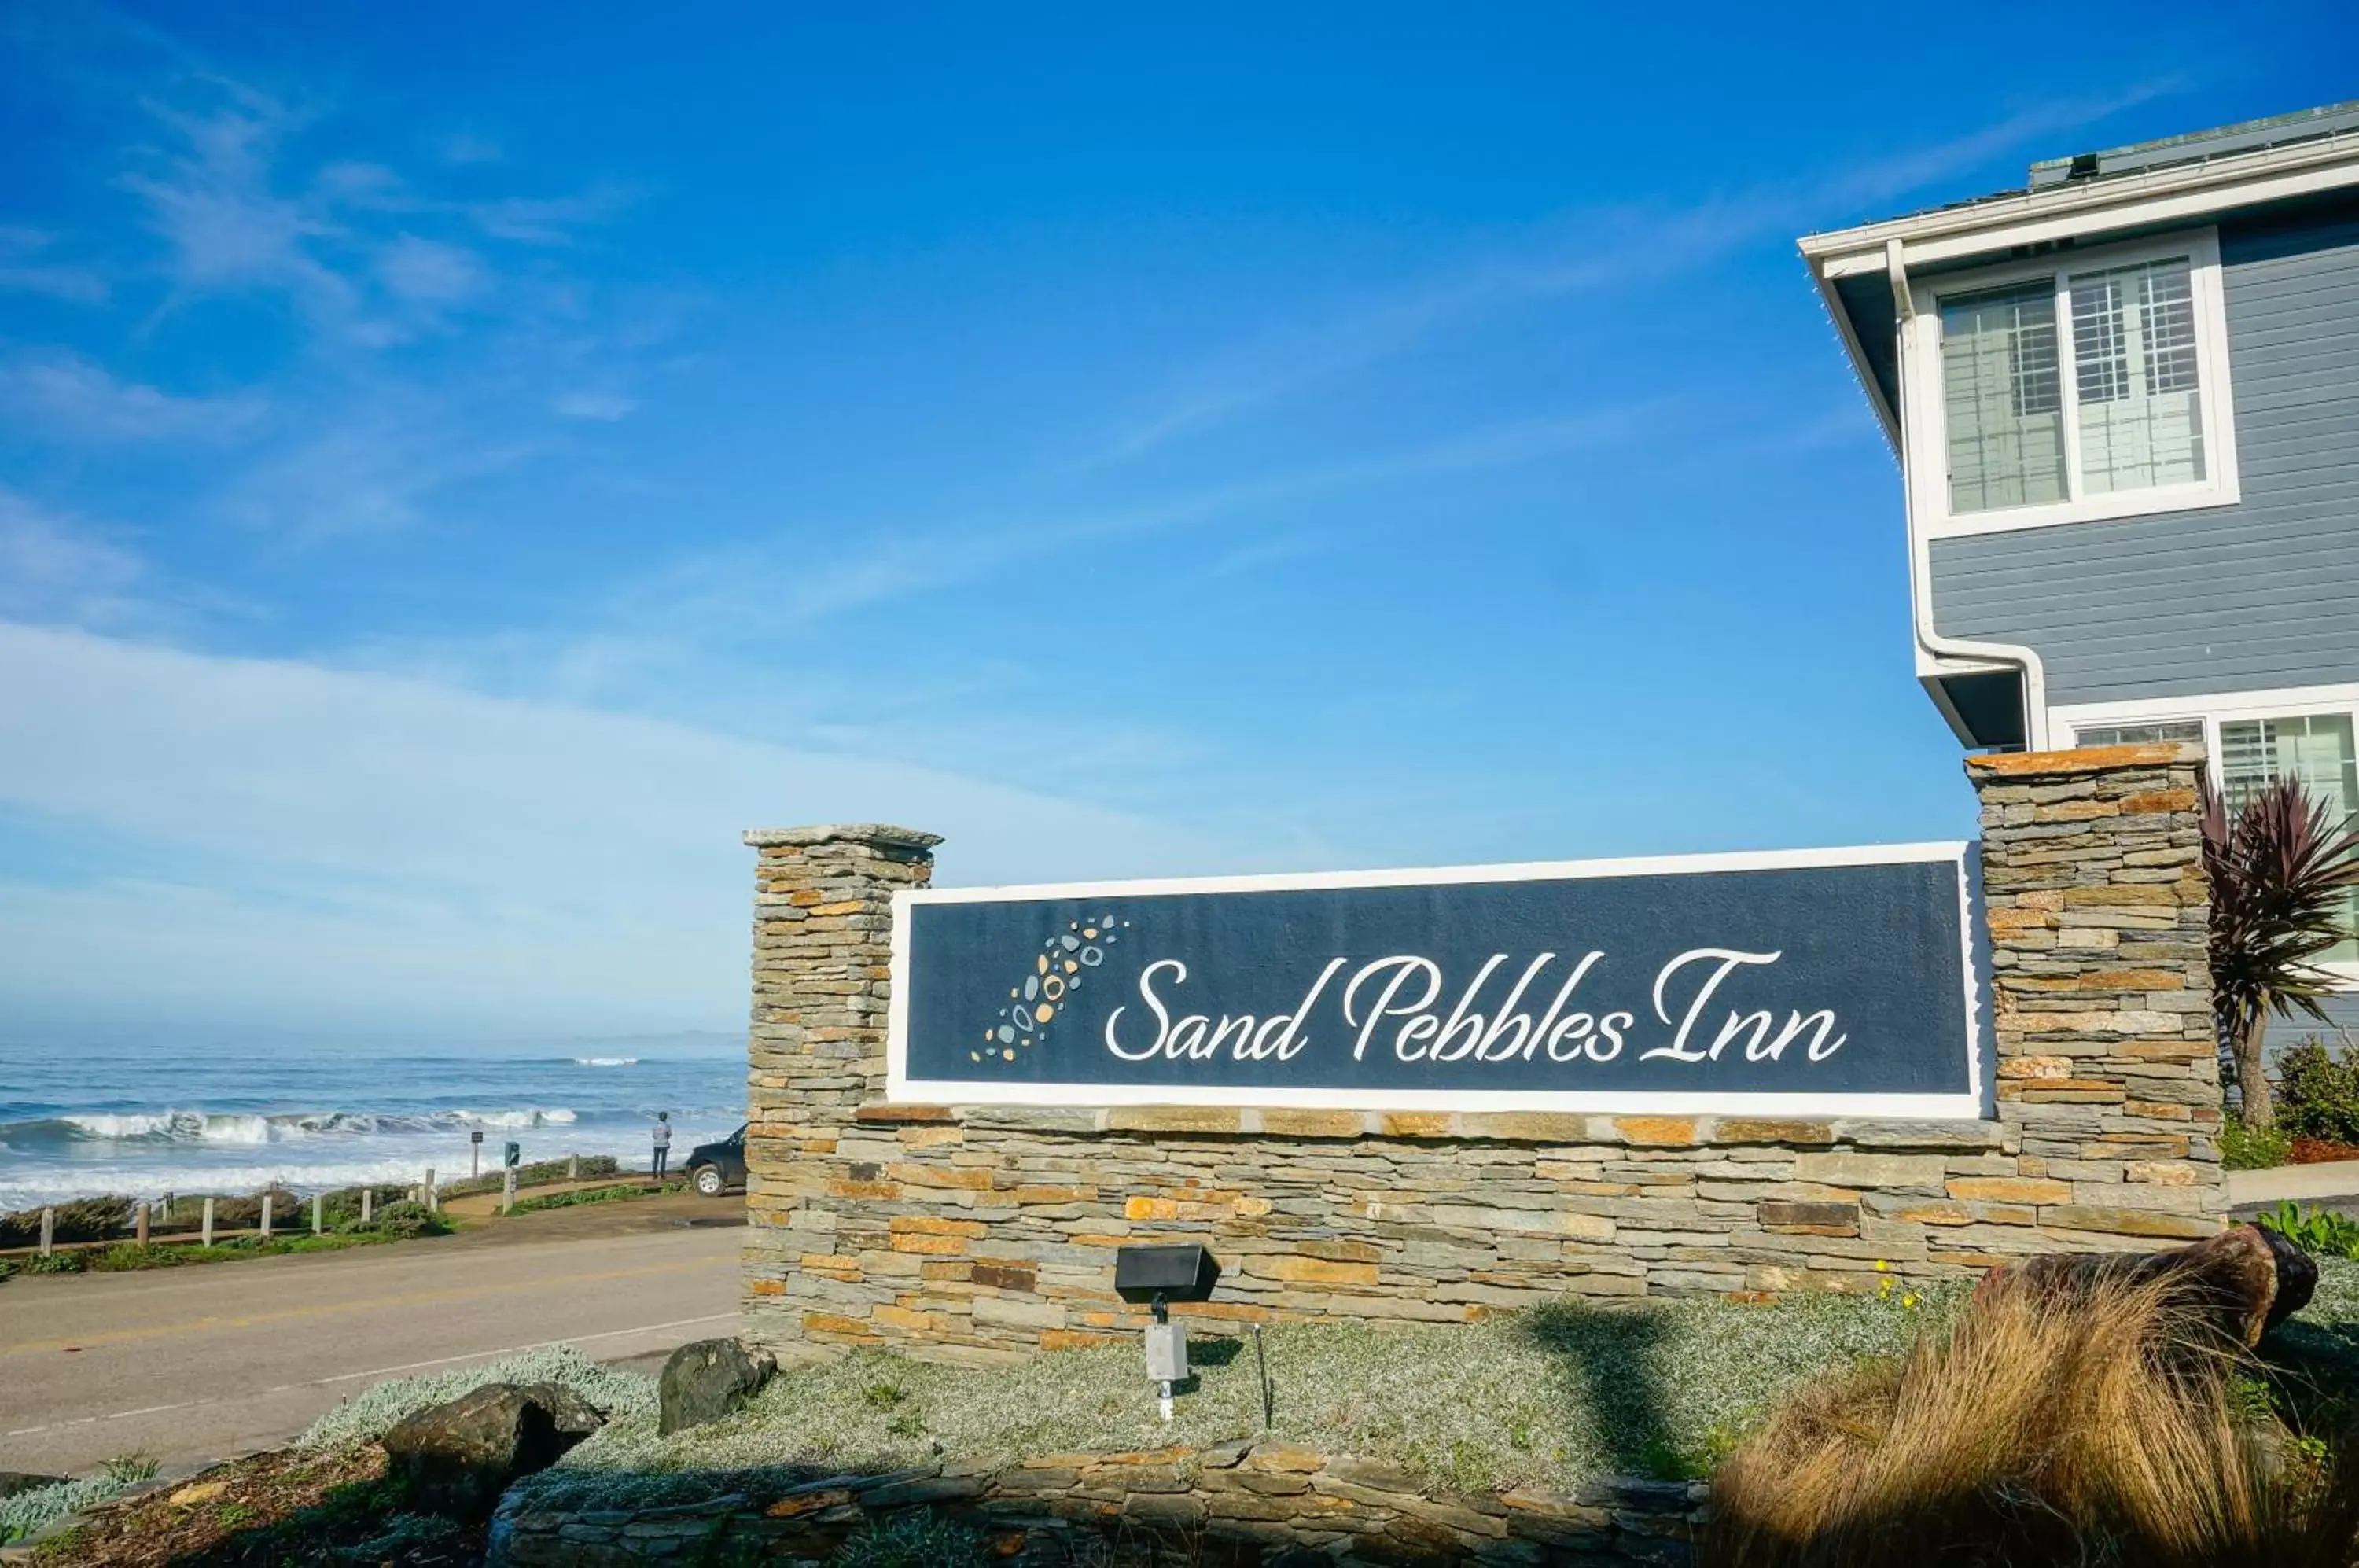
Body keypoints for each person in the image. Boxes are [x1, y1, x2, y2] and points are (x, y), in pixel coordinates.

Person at [651, 1111, 673, 1177]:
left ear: (659, 1117)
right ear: (665, 1118)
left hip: (656, 1144)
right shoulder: (667, 1126)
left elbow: (654, 1136)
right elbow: (669, 1135)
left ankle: (654, 1173)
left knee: (656, 1159)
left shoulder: (655, 1126)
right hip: (664, 1144)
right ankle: (662, 1174)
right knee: (663, 1160)